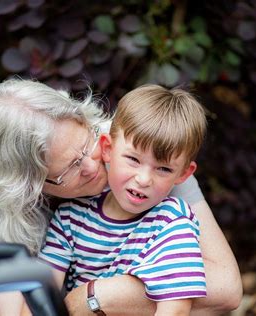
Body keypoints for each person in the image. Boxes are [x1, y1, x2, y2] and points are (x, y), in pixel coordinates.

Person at [0, 78, 242, 315]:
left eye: (87, 144)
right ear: (30, 185)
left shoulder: (144, 149)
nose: (91, 165)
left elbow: (226, 289)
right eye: (70, 168)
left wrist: (92, 297)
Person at [38, 85, 208, 315]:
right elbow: (42, 298)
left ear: (183, 174)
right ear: (107, 149)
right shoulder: (71, 218)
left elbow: (175, 310)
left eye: (164, 169)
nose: (144, 179)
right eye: (133, 159)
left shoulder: (172, 221)